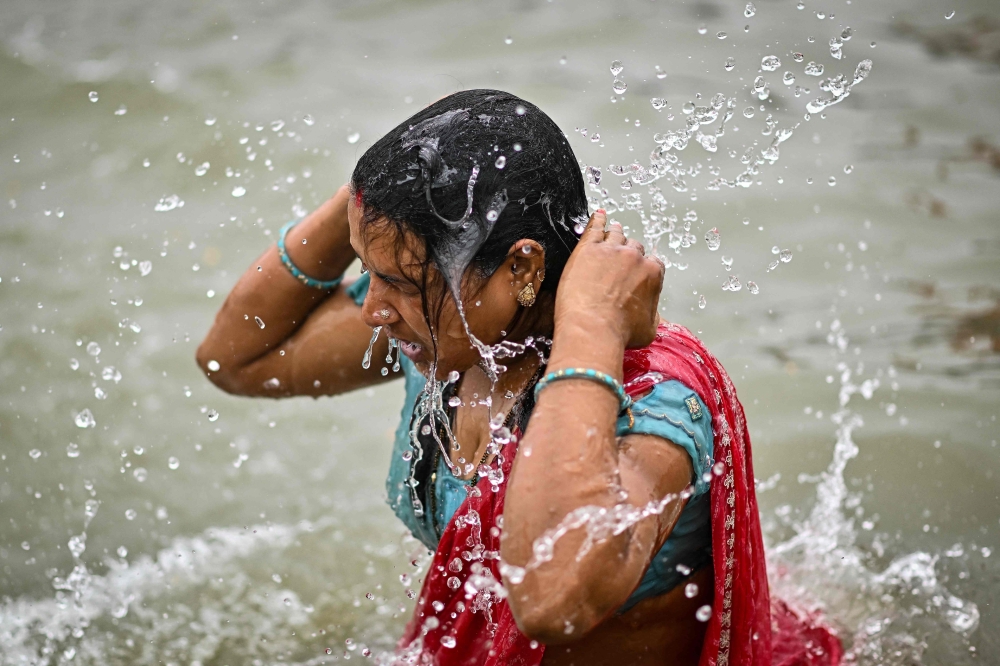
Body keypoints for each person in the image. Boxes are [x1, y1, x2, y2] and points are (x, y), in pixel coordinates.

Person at [197, 89, 841, 666]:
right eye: (371, 269)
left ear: (521, 269)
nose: (371, 308)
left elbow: (552, 600)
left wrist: (590, 324)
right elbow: (236, 360)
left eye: (392, 280)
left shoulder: (657, 403)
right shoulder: (443, 332)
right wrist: (375, 192)